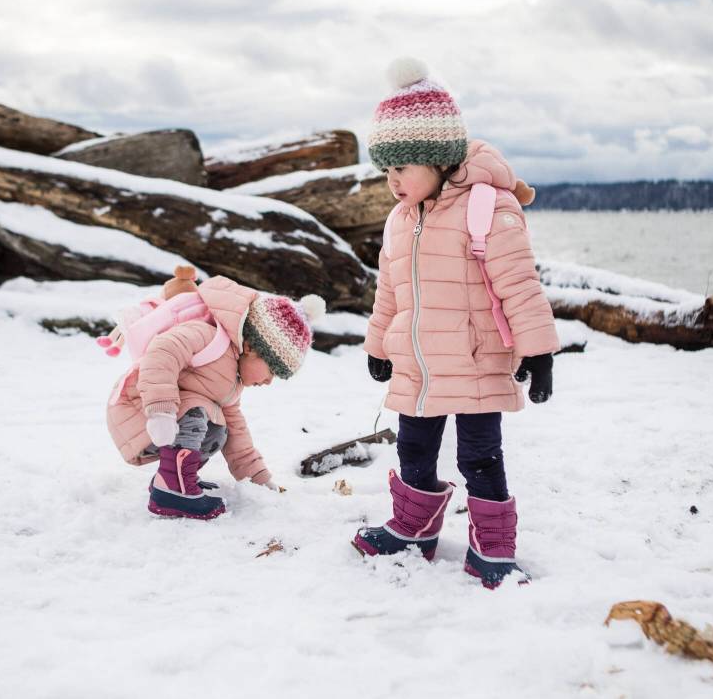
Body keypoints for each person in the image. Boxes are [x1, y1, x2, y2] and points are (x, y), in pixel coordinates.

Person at [352, 58, 560, 588]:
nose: (393, 181)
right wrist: (378, 344)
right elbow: (390, 291)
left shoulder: (488, 207)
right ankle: (413, 526)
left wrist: (538, 351)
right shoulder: (400, 220)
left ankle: (494, 545)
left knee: (480, 458)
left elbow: (519, 282)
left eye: (403, 168)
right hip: (418, 366)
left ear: (438, 159)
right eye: (387, 170)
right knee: (412, 449)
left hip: (475, 362)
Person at [104, 266, 324, 519]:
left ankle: (174, 478)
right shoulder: (208, 336)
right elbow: (162, 352)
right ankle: (173, 489)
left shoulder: (231, 383)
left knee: (222, 428)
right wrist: (161, 412)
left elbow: (239, 438)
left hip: (163, 415)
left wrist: (260, 481)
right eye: (272, 371)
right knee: (197, 411)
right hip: (139, 405)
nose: (269, 382)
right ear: (252, 348)